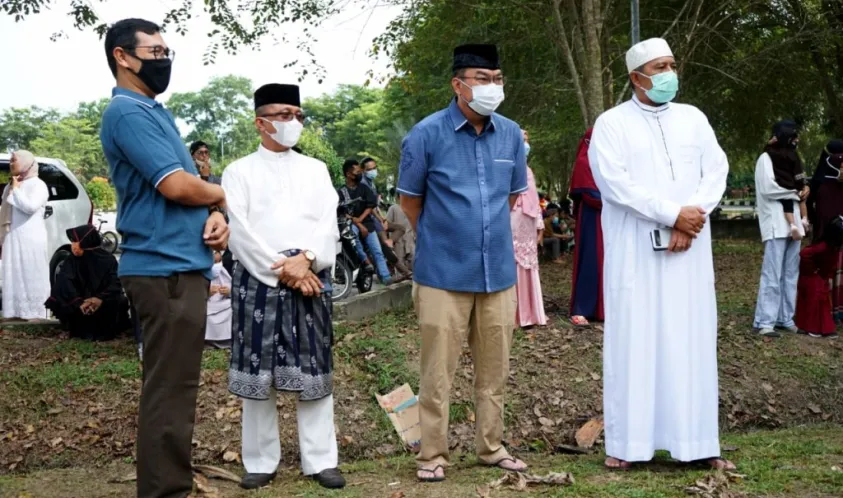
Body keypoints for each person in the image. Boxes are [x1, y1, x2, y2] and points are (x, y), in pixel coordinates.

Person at [99, 18, 229, 498]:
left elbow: (191, 188)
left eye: (166, 51)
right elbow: (176, 185)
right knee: (169, 389)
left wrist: (215, 213)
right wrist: (226, 194)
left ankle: (171, 483)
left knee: (176, 387)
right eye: (154, 52)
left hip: (179, 265)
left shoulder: (153, 111)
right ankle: (164, 491)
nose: (164, 60)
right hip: (162, 268)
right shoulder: (127, 113)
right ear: (122, 56)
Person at [588, 38, 733, 471]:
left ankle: (699, 443)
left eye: (672, 64)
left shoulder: (694, 118)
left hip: (690, 249)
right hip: (636, 251)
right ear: (637, 77)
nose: (670, 73)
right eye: (660, 67)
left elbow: (716, 170)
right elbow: (615, 184)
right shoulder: (611, 123)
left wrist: (691, 216)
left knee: (692, 340)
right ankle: (628, 445)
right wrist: (672, 215)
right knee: (635, 342)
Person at [398, 43, 529, 482]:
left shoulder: (510, 134)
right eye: (482, 79)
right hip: (442, 274)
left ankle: (491, 447)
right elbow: (410, 202)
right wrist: (447, 237)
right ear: (458, 84)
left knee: (495, 371)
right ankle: (432, 454)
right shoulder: (425, 134)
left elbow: (511, 197)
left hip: (498, 274)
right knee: (437, 373)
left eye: (498, 79)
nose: (493, 86)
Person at [222, 83, 345, 490]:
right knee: (258, 372)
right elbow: (240, 231)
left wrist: (307, 258)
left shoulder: (316, 169)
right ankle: (259, 460)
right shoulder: (238, 171)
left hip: (310, 276)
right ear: (260, 123)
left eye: (297, 115)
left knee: (315, 368)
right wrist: (285, 270)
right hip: (259, 281)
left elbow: (328, 221)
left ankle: (321, 460)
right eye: (283, 115)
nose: (293, 122)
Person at [753, 127, 809, 337]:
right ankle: (765, 321)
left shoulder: (793, 159)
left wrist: (805, 190)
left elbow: (800, 184)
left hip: (795, 224)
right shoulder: (765, 158)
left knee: (791, 273)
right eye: (793, 137)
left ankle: (785, 317)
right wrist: (795, 193)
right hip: (776, 222)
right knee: (773, 272)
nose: (797, 140)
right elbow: (768, 188)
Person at [45, 225, 131, 340]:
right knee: (59, 292)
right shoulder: (72, 260)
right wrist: (79, 302)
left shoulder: (108, 260)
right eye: (73, 241)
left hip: (102, 304)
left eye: (76, 241)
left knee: (120, 300)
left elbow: (115, 283)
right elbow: (65, 282)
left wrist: (99, 299)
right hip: (80, 306)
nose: (73, 245)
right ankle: (70, 328)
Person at [0, 150, 50, 321]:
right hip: (13, 235)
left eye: (14, 160)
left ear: (26, 163)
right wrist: (13, 188)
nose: (11, 164)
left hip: (31, 237)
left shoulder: (38, 185)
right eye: (10, 161)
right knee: (13, 272)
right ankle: (14, 312)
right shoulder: (11, 185)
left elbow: (30, 207)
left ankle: (36, 312)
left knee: (32, 272)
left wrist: (16, 190)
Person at [510, 130, 547, 328]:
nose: (526, 145)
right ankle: (515, 313)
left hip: (529, 220)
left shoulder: (529, 171)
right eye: (523, 141)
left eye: (527, 141)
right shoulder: (507, 167)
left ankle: (530, 313)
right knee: (514, 260)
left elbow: (534, 200)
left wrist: (540, 225)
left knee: (529, 263)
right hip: (513, 217)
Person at [568, 128, 604, 326]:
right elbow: (589, 194)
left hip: (611, 219)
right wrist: (613, 200)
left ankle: (605, 307)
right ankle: (584, 307)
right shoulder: (584, 161)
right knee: (592, 258)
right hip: (592, 218)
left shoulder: (609, 160)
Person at [338, 159, 392, 284]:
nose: (360, 174)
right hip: (352, 223)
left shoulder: (364, 188)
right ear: (348, 174)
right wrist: (357, 223)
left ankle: (386, 277)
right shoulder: (341, 192)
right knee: (352, 236)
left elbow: (370, 206)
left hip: (367, 222)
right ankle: (366, 261)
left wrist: (361, 220)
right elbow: (342, 211)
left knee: (377, 251)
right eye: (357, 172)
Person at [807, 141, 843, 320]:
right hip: (828, 234)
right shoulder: (822, 181)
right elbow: (810, 204)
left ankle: (833, 309)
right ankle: (828, 309)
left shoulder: (825, 180)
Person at [361, 157, 412, 279]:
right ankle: (402, 272)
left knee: (400, 229)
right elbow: (369, 207)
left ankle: (390, 243)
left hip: (376, 218)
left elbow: (375, 205)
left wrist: (382, 218)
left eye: (374, 168)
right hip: (370, 220)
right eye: (369, 169)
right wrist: (380, 219)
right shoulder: (363, 184)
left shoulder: (371, 183)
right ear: (363, 170)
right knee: (385, 247)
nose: (373, 171)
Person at [795, 216, 843, 338]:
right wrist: (813, 270)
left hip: (821, 277)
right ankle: (811, 327)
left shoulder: (833, 248)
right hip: (810, 277)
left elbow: (831, 264)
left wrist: (828, 277)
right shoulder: (822, 246)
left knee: (824, 300)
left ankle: (825, 328)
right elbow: (804, 253)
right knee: (816, 298)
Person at [764, 121, 808, 240]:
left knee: (787, 207)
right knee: (802, 200)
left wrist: (768, 144)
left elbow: (768, 149)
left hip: (781, 187)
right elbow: (798, 174)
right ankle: (804, 219)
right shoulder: (793, 155)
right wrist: (801, 185)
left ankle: (793, 224)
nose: (797, 140)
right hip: (792, 188)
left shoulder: (770, 153)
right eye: (795, 138)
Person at [205, 250, 232, 349]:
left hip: (223, 304)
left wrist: (228, 291)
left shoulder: (227, 269)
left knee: (232, 308)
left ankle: (226, 340)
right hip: (206, 304)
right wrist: (207, 292)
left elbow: (235, 290)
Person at [386, 191, 415, 272]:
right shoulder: (393, 208)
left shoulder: (412, 208)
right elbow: (387, 224)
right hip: (398, 241)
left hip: (410, 240)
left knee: (413, 262)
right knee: (400, 264)